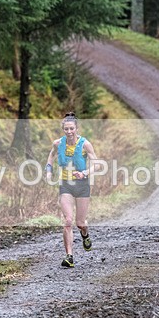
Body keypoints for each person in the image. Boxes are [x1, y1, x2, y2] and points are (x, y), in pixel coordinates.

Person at [45, 112, 98, 268]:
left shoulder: (85, 144)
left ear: (76, 128)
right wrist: (48, 171)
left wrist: (84, 173)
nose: (69, 132)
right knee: (68, 221)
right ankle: (69, 256)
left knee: (80, 222)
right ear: (63, 129)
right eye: (66, 129)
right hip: (66, 185)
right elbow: (50, 157)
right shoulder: (57, 143)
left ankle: (85, 234)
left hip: (82, 186)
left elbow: (97, 164)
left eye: (71, 129)